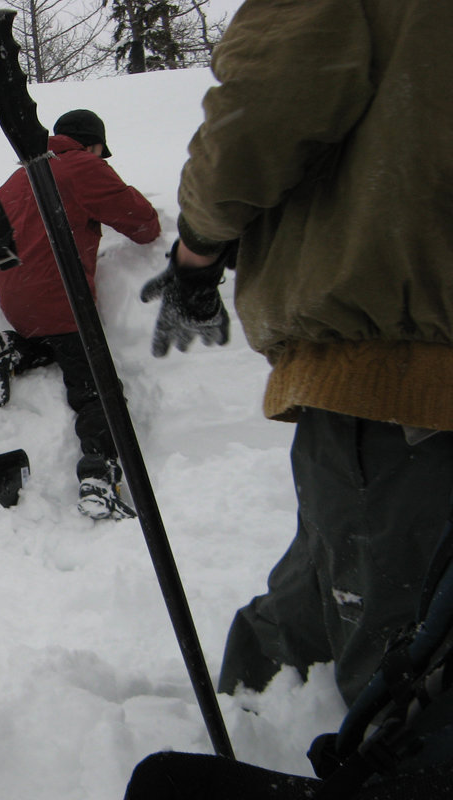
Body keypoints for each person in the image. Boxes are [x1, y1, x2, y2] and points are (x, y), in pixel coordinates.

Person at [139, 0, 453, 710]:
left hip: (400, 367)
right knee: (317, 595)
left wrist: (197, 247)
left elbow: (262, 110)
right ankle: (250, 720)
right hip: (398, 376)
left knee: (404, 678)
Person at [0, 109, 161, 520]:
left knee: (58, 344)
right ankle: (98, 478)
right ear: (90, 145)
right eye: (101, 153)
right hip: (61, 297)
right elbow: (144, 224)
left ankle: (11, 351)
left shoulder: (18, 177)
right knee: (97, 390)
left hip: (16, 298)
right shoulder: (83, 167)